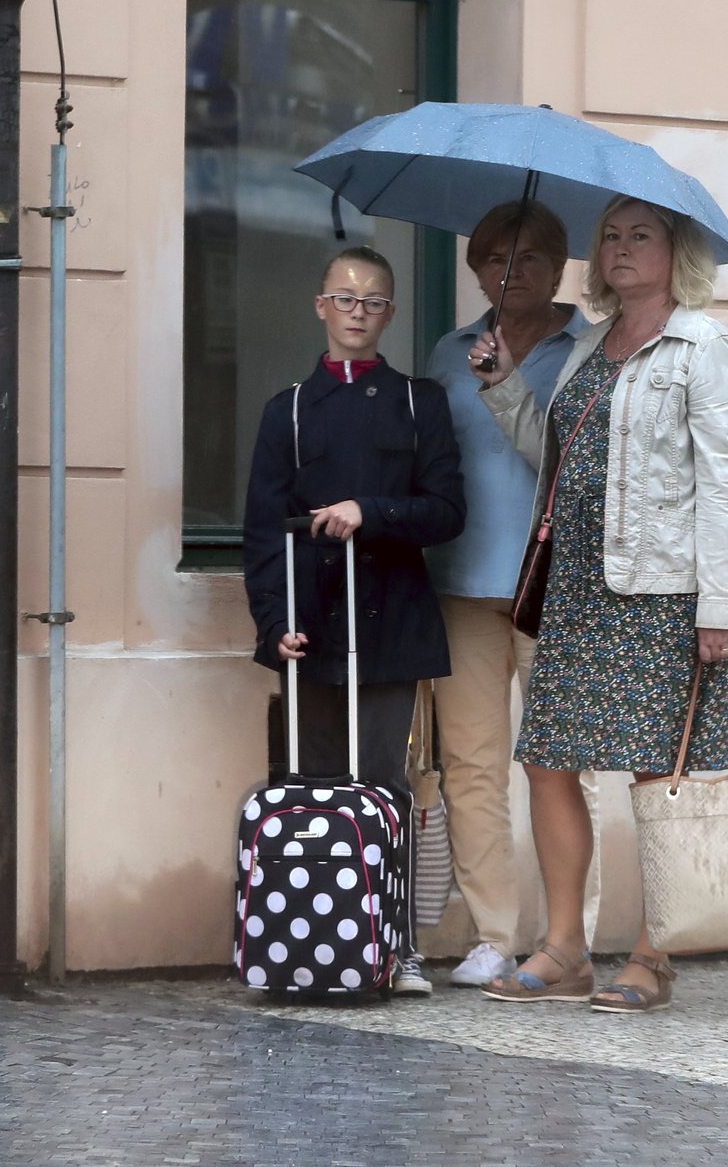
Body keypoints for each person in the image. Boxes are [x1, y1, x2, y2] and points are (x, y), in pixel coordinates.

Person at [469, 195, 728, 1013]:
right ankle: (565, 946)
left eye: (642, 236)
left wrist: (720, 607)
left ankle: (653, 953)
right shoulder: (590, 344)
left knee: (653, 772)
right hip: (577, 586)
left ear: (677, 253)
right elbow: (554, 455)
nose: (621, 249)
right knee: (548, 757)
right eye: (612, 236)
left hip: (662, 590)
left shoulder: (706, 347)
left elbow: (727, 485)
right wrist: (502, 386)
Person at [242, 244, 466, 998]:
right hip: (312, 627)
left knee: (385, 787)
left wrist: (372, 512)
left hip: (392, 625)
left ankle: (394, 943)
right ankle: (303, 936)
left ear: (390, 315)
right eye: (344, 298)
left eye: (372, 302)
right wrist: (275, 624)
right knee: (311, 787)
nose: (357, 313)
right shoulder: (289, 410)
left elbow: (445, 511)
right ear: (321, 306)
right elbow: (261, 532)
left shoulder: (418, 402)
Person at [426, 201, 600, 988]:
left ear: (560, 265)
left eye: (531, 256)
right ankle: (493, 932)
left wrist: (508, 388)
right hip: (462, 581)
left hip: (554, 586)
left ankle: (571, 933)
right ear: (475, 270)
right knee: (471, 763)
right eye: (495, 257)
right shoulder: (448, 351)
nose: (511, 270)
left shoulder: (591, 348)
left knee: (561, 766)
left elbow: (577, 464)